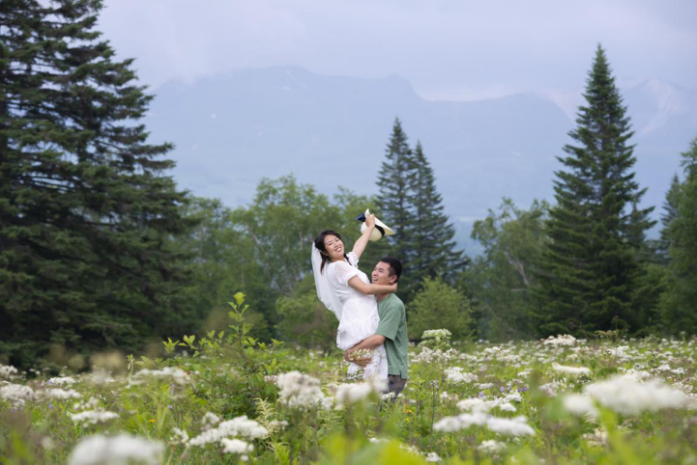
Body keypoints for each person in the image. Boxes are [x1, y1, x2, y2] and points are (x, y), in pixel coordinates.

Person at [311, 215, 396, 380]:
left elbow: (358, 247)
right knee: (370, 357)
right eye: (330, 244)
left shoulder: (346, 262)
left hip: (363, 310)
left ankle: (371, 395)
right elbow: (364, 289)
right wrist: (391, 287)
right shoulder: (338, 267)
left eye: (337, 240)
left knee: (372, 357)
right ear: (323, 251)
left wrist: (370, 228)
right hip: (360, 313)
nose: (336, 244)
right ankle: (370, 394)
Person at [344, 258, 408, 397]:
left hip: (392, 372)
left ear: (392, 279)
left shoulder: (393, 305)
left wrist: (351, 352)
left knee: (380, 416)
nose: (374, 273)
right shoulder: (370, 302)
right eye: (374, 269)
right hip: (372, 369)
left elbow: (379, 339)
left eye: (380, 271)